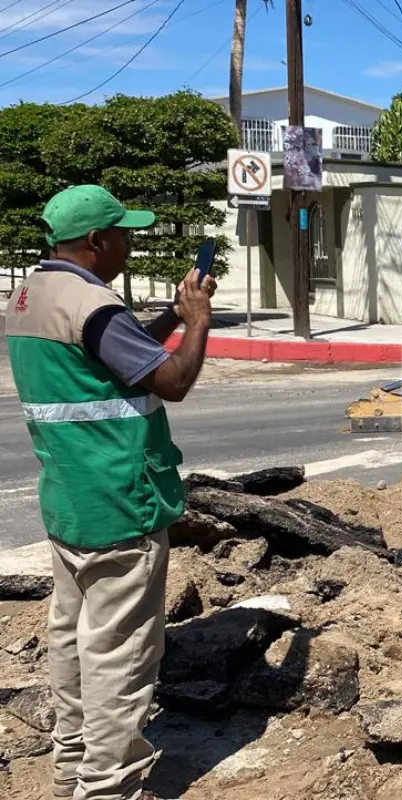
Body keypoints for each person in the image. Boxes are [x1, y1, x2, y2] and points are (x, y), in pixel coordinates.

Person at [5, 184, 216, 800]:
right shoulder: (93, 303)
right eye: (123, 234)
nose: (129, 244)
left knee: (71, 641)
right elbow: (170, 380)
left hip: (69, 501)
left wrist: (172, 318)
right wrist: (198, 323)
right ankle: (107, 788)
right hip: (120, 499)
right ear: (96, 242)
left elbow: (111, 356)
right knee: (118, 658)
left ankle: (72, 771)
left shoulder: (32, 294)